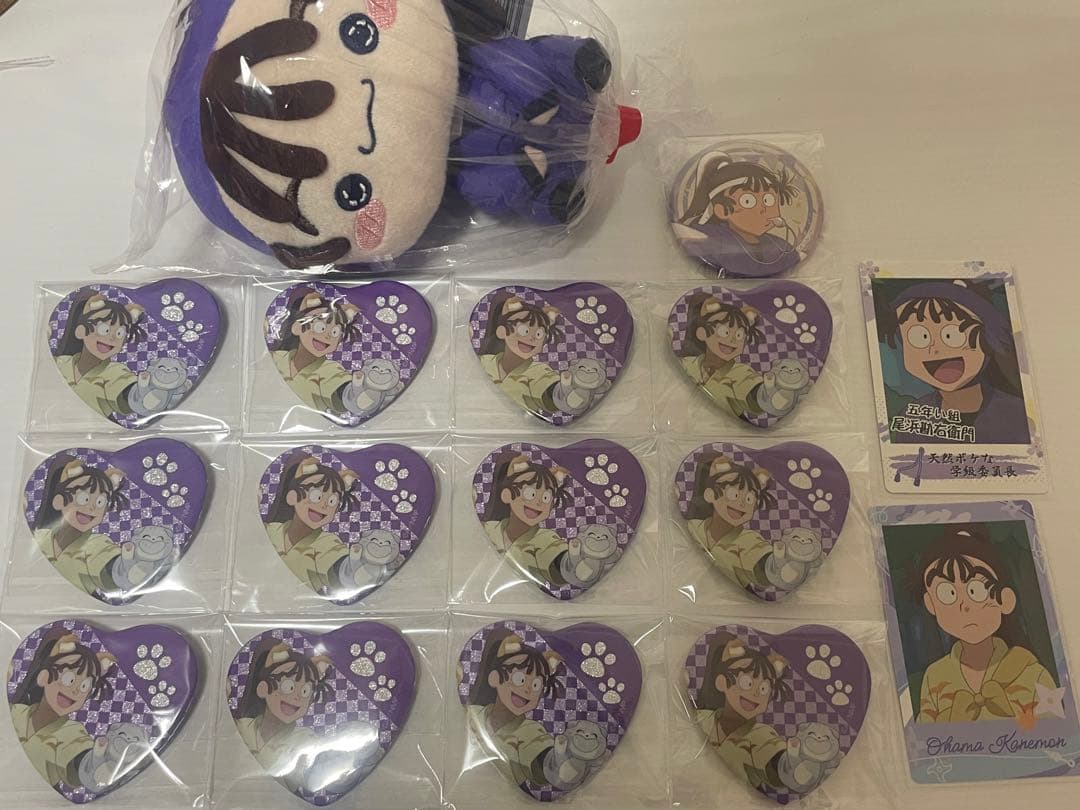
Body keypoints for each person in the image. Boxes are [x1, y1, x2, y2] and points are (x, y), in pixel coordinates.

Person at [913, 525, 1056, 724]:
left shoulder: (1032, 673)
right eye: (947, 593)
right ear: (931, 604)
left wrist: (1014, 714)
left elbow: (1057, 733)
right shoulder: (934, 676)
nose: (963, 605)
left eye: (976, 590)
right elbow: (923, 736)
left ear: (1005, 600)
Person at [879, 279, 1030, 444]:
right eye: (920, 337)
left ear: (988, 335)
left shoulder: (1017, 415)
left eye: (952, 335)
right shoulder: (912, 419)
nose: (936, 349)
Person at [695, 632, 823, 793]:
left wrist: (796, 765)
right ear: (721, 682)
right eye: (746, 683)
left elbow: (777, 764)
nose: (755, 693)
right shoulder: (703, 718)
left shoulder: (761, 735)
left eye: (763, 688)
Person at [8, 628, 117, 790]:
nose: (75, 690)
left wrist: (96, 760)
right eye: (69, 679)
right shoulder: (18, 712)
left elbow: (80, 764)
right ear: (44, 677)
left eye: (84, 686)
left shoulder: (71, 733)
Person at [675, 293, 810, 420]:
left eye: (739, 335)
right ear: (702, 333)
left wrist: (774, 392)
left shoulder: (741, 373)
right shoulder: (688, 362)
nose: (732, 339)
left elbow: (754, 395)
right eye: (724, 331)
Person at [465, 628, 565, 788]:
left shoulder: (531, 731)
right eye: (519, 679)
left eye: (536, 685)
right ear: (494, 678)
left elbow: (543, 764)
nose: (527, 690)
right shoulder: (473, 713)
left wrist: (562, 759)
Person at [673, 152, 800, 277]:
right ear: (722, 210)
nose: (763, 209)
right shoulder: (712, 238)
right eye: (748, 201)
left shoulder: (781, 247)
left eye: (768, 200)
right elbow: (688, 235)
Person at [262, 454, 369, 598]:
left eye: (332, 501)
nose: (324, 505)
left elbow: (342, 567)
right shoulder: (272, 530)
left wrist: (358, 561)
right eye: (316, 496)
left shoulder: (328, 544)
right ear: (292, 497)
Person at [683, 453, 792, 592]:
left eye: (749, 499)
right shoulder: (695, 526)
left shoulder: (749, 540)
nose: (741, 503)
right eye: (733, 494)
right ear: (710, 494)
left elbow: (763, 567)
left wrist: (778, 564)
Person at [480, 454, 572, 586]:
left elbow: (561, 563)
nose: (538, 502)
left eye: (546, 497)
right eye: (530, 494)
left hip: (529, 597)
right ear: (507, 495)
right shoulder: (490, 529)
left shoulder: (546, 539)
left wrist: (575, 560)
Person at [52, 292, 147, 418]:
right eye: (104, 330)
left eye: (119, 333)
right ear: (80, 331)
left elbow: (132, 396)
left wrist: (147, 388)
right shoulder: (61, 363)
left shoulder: (115, 372)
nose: (112, 337)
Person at [477, 294, 565, 414]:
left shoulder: (539, 371)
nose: (532, 338)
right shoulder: (485, 361)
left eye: (539, 334)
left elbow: (552, 393)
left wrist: (567, 390)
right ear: (502, 331)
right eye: (524, 330)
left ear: (543, 344)